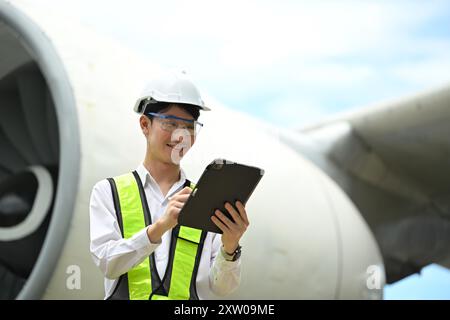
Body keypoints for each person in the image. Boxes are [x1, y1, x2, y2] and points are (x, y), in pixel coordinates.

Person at [89, 71, 249, 300]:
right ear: (145, 124)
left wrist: (230, 247)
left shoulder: (206, 199)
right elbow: (108, 263)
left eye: (189, 126)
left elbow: (222, 288)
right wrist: (160, 227)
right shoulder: (108, 192)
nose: (180, 136)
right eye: (170, 123)